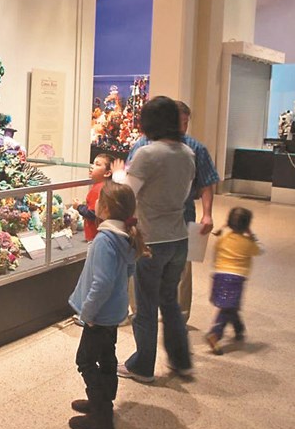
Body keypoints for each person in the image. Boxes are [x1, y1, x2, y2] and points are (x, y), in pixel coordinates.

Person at [111, 96, 195, 383]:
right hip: (179, 237)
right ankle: (181, 361)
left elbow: (127, 194)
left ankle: (142, 365)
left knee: (145, 305)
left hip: (151, 240)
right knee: (169, 302)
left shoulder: (147, 154)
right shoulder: (187, 153)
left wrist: (118, 175)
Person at [68, 181, 149, 429]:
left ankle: (101, 415)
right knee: (106, 357)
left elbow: (101, 283)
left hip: (99, 315)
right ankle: (102, 401)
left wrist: (87, 313)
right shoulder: (126, 236)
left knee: (85, 360)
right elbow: (129, 269)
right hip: (112, 312)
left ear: (105, 208)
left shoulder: (105, 239)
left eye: (98, 201)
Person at [127, 100, 219, 323]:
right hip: (148, 220)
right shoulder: (144, 146)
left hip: (178, 217)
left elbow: (206, 182)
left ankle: (176, 315)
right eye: (179, 122)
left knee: (181, 270)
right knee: (144, 269)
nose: (182, 127)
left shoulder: (193, 149)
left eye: (186, 123)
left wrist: (207, 213)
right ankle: (142, 311)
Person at [205, 207, 263, 355]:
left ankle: (239, 329)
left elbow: (216, 252)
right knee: (228, 308)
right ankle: (215, 333)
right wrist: (252, 235)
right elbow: (260, 250)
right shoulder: (247, 243)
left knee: (231, 306)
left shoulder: (222, 239)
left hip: (219, 276)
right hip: (236, 279)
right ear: (247, 225)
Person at [74, 154, 115, 242]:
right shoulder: (109, 186)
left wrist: (78, 206)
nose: (92, 167)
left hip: (96, 235)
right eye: (93, 163)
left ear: (107, 173)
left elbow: (92, 214)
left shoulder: (98, 189)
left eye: (97, 164)